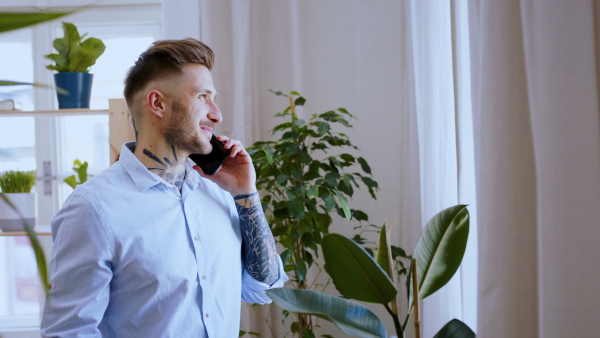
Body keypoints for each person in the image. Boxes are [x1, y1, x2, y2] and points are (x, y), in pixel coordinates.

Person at [41, 38, 287, 337]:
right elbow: (68, 331)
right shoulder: (92, 209)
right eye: (203, 97)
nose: (216, 114)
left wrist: (246, 193)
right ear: (158, 103)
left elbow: (263, 287)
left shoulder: (219, 192)